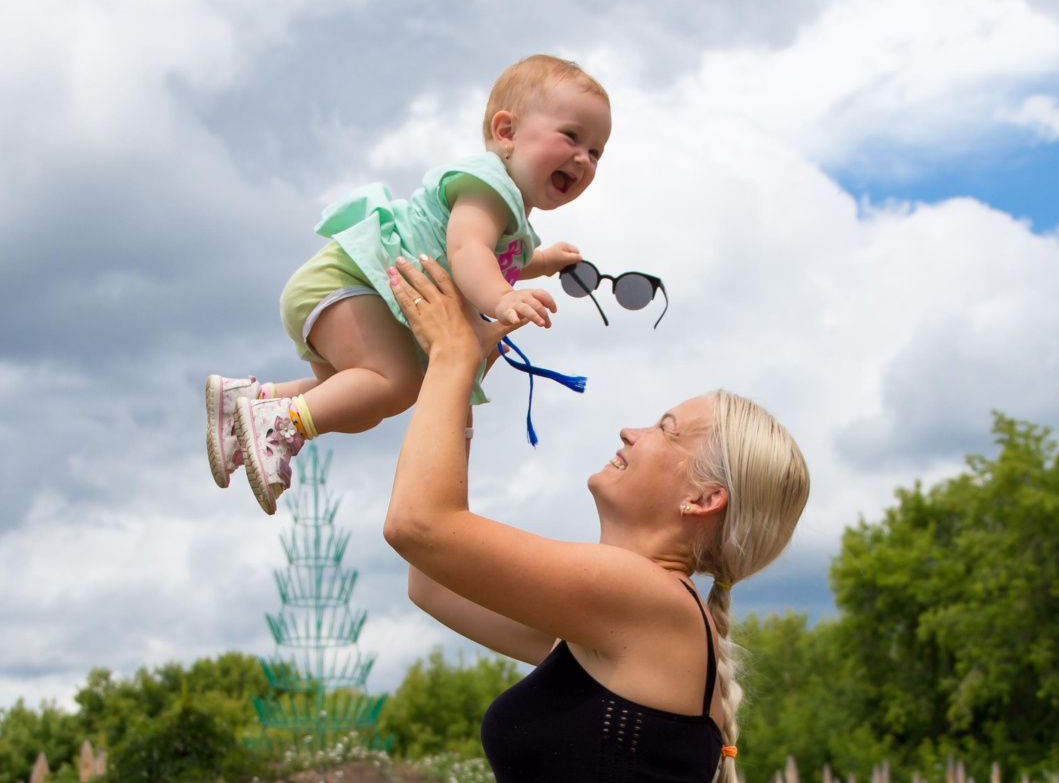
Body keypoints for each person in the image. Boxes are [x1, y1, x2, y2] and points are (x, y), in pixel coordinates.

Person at [383, 254, 811, 783]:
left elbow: (418, 527)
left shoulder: (643, 597)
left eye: (665, 428)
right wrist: (460, 384)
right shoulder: (626, 620)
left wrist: (451, 356)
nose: (632, 431)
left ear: (703, 499)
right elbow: (431, 581)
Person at [206, 55, 612, 514]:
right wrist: (502, 297)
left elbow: (502, 256)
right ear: (507, 133)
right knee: (395, 383)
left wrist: (543, 261)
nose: (583, 158)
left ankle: (253, 400)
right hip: (349, 282)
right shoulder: (488, 187)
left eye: (596, 151)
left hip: (353, 295)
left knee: (358, 399)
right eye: (571, 136)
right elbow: (467, 253)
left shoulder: (513, 224)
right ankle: (282, 424)